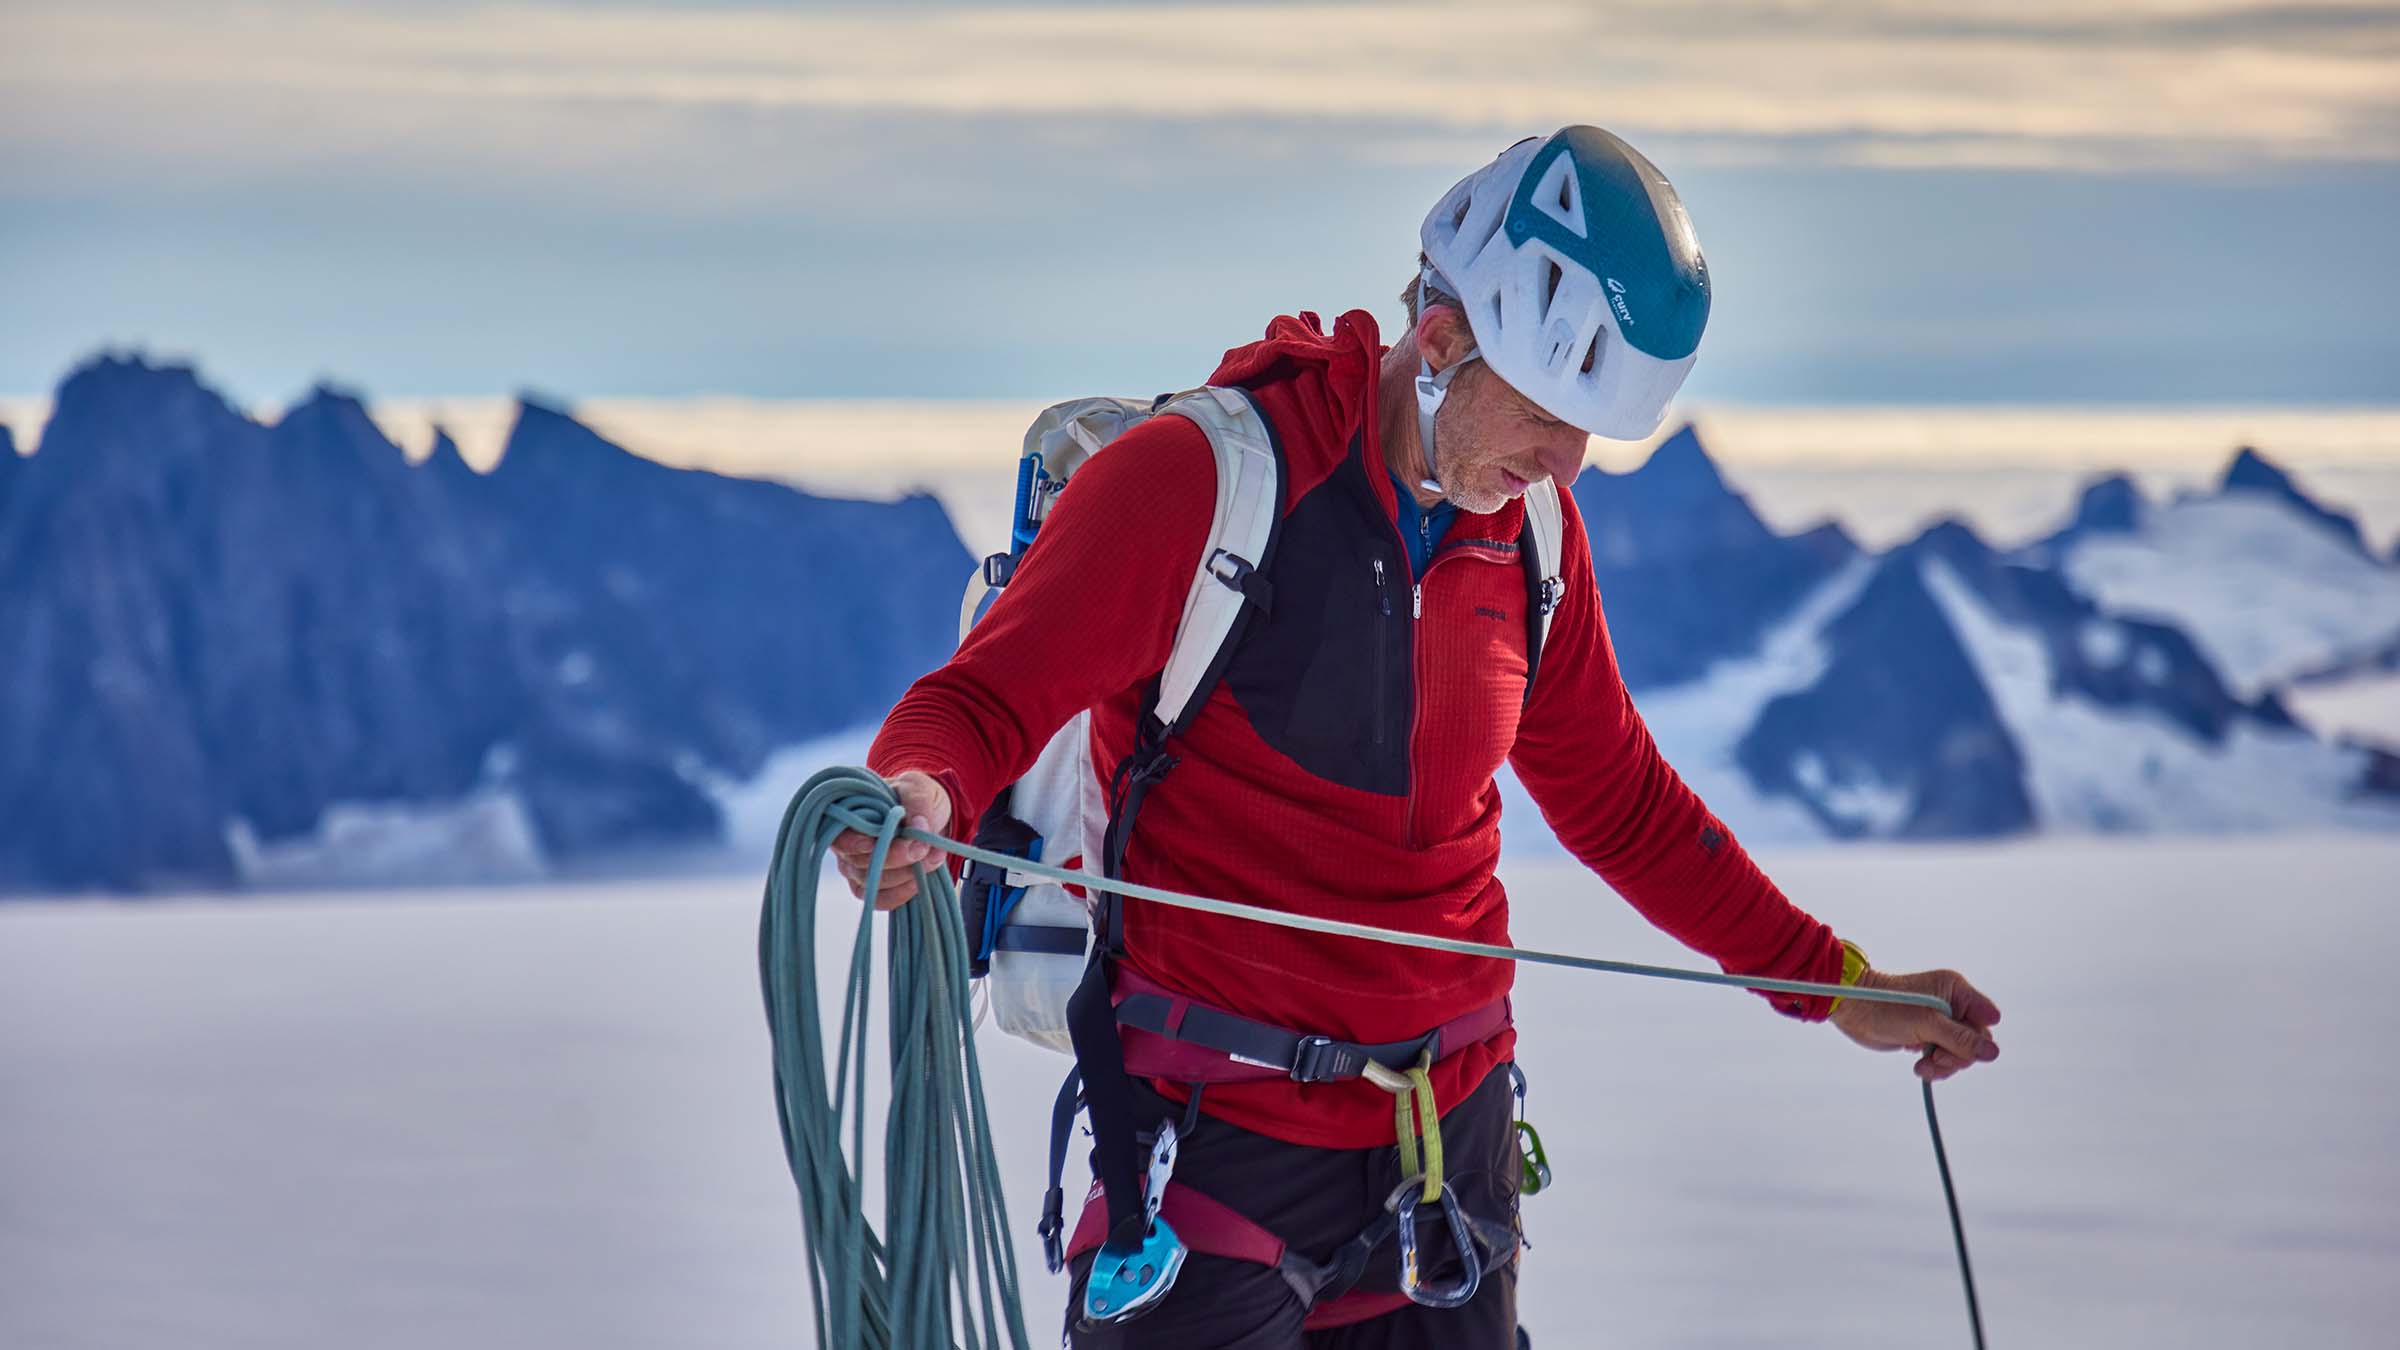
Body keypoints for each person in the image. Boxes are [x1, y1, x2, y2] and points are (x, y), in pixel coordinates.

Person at [832, 126, 2001, 1349]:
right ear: (1439, 345)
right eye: (1550, 416)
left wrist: (1835, 983)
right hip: (1216, 1152)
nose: (1569, 464)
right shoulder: (1202, 482)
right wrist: (918, 795)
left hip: (1448, 1163)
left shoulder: (1530, 533)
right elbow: (977, 702)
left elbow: (1618, 800)